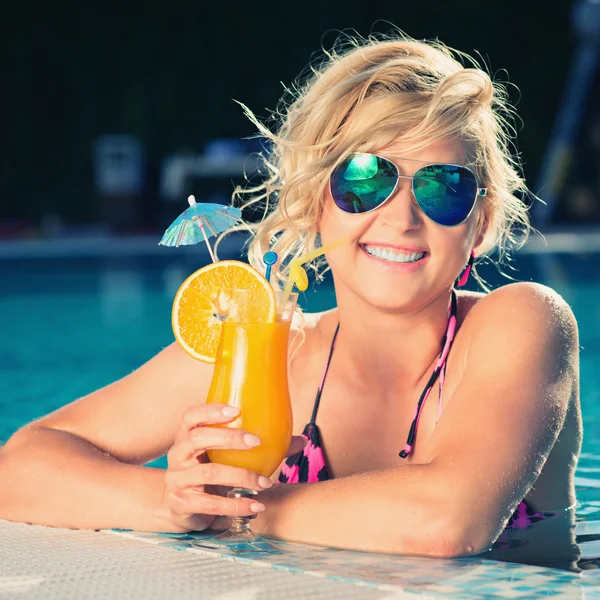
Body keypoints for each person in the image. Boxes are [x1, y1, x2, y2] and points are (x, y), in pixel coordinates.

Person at [0, 30, 581, 559]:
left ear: (480, 224)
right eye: (364, 178)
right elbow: (19, 467)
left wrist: (244, 513)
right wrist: (174, 502)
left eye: (444, 188)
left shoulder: (521, 323)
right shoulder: (266, 349)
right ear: (314, 201)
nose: (402, 217)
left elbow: (445, 523)